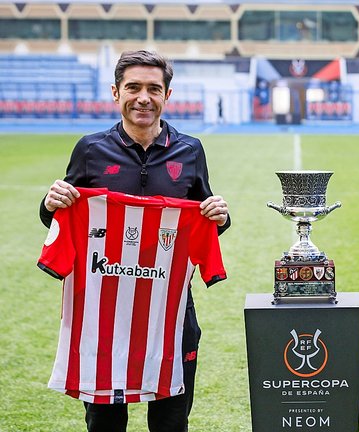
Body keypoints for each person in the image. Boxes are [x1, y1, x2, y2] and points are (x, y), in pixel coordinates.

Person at [39, 50, 230, 432]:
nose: (143, 97)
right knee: (105, 420)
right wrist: (48, 203)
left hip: (169, 308)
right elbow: (59, 216)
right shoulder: (91, 150)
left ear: (167, 96)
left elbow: (205, 219)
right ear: (115, 92)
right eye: (134, 87)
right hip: (101, 309)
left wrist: (221, 216)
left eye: (153, 89)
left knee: (172, 418)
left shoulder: (190, 150)